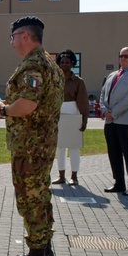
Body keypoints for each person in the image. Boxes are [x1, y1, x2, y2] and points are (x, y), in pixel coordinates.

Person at [0, 16, 63, 256]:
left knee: (30, 199)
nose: (11, 43)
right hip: (42, 144)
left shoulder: (33, 66)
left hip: (30, 146)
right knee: (41, 197)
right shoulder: (50, 64)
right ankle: (43, 251)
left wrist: (3, 111)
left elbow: (28, 105)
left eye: (12, 38)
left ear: (23, 36)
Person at [100, 46, 128, 195]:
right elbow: (103, 94)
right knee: (113, 153)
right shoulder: (112, 75)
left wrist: (113, 113)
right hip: (110, 123)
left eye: (127, 56)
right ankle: (119, 183)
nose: (123, 58)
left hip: (125, 122)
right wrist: (104, 110)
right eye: (121, 56)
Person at [53, 50, 90, 186]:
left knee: (74, 146)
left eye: (67, 62)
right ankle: (61, 175)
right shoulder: (55, 79)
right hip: (58, 114)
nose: (64, 65)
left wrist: (84, 119)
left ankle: (74, 176)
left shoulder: (78, 81)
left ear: (72, 63)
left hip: (74, 113)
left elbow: (83, 101)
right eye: (62, 62)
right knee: (60, 147)